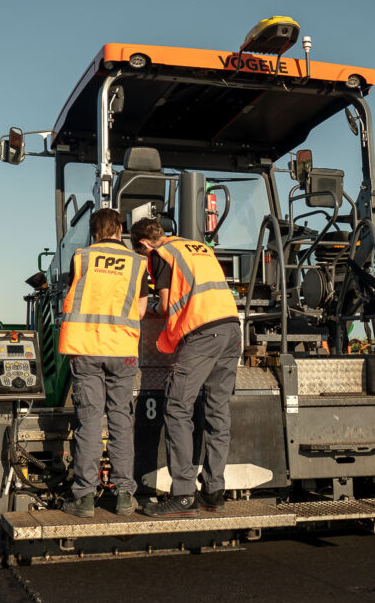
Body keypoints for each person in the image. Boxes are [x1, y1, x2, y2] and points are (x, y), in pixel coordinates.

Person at [130, 218, 241, 517]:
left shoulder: (161, 255)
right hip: (231, 328)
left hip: (203, 332)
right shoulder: (199, 247)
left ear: (143, 243)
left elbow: (166, 305)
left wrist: (149, 306)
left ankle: (182, 495)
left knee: (178, 407)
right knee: (217, 411)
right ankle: (214, 492)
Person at [59, 208, 149, 518]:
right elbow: (140, 308)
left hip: (85, 347)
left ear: (94, 231)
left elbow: (71, 295)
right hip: (121, 348)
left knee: (90, 421)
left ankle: (84, 498)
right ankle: (124, 495)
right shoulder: (138, 263)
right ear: (120, 229)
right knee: (121, 420)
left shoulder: (81, 258)